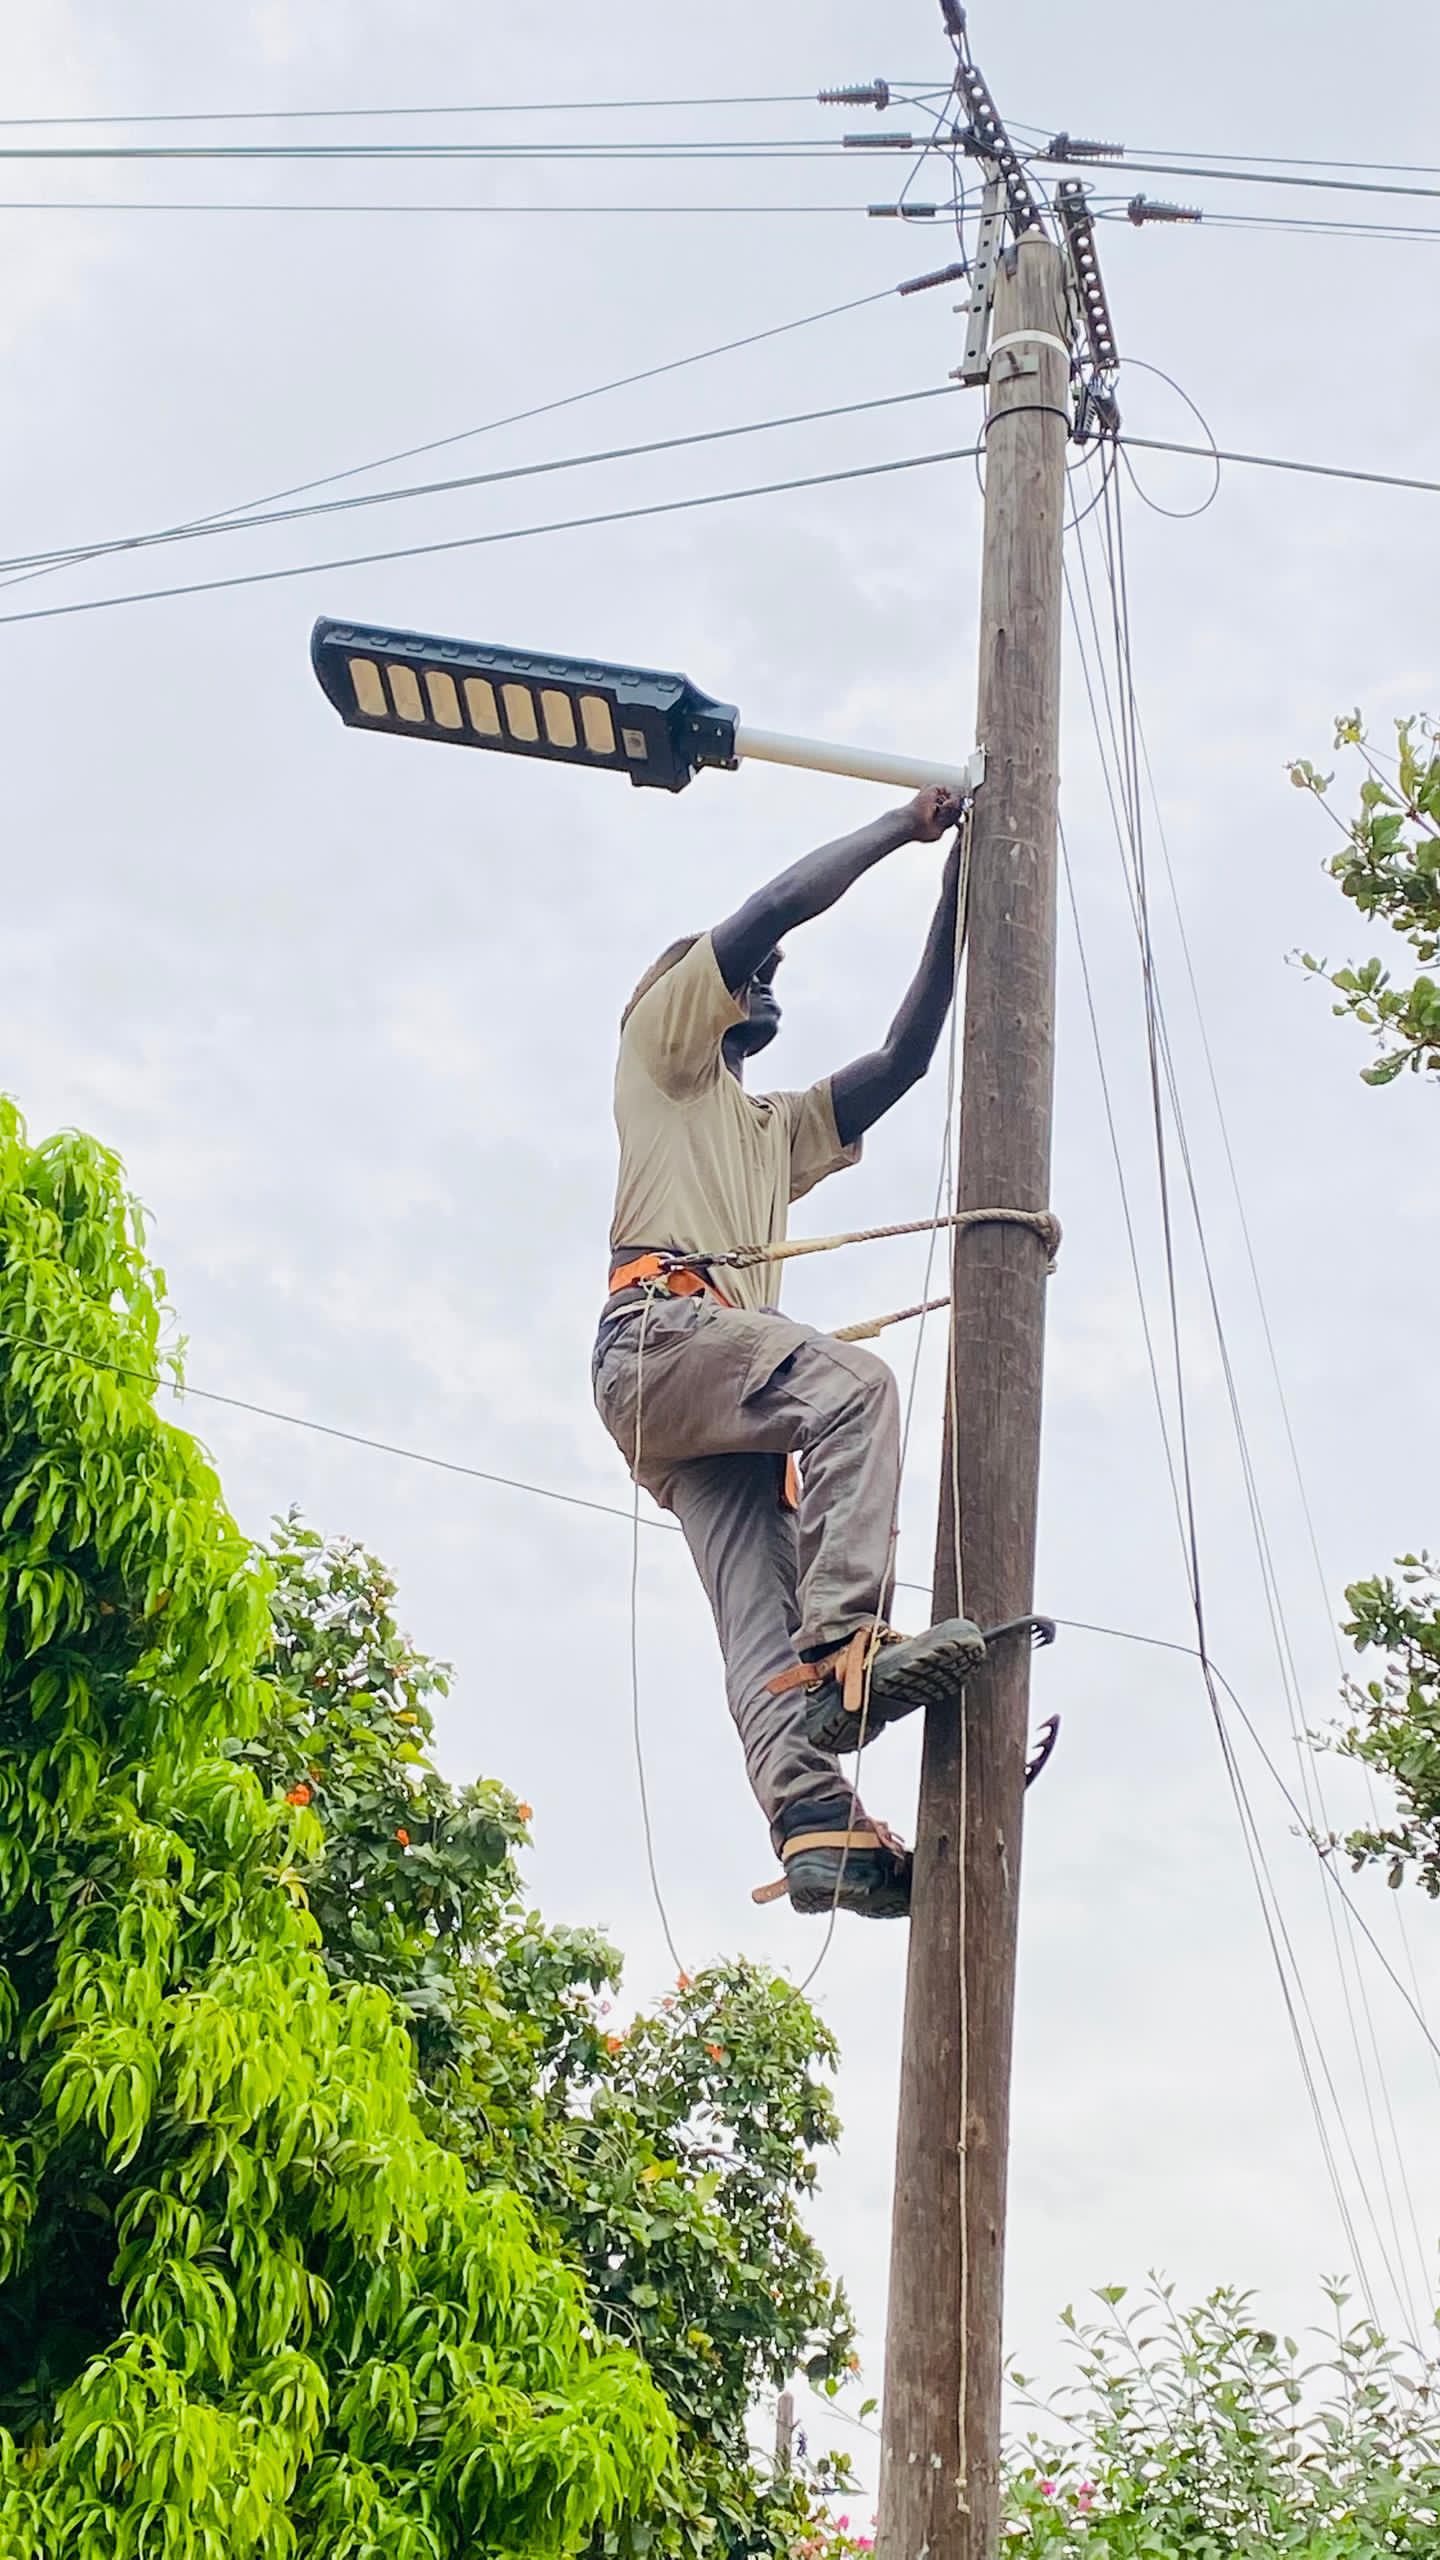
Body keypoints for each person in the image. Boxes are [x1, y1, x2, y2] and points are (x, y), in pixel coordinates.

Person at [592, 787, 988, 1919]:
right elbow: (770, 909)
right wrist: (901, 830)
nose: (766, 989)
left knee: (756, 1613)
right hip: (661, 1339)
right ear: (694, 997)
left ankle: (814, 1821)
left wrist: (965, 887)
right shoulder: (666, 1051)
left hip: (698, 1407)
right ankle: (846, 1646)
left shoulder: (768, 1131)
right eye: (746, 982)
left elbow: (904, 1058)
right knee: (853, 1388)